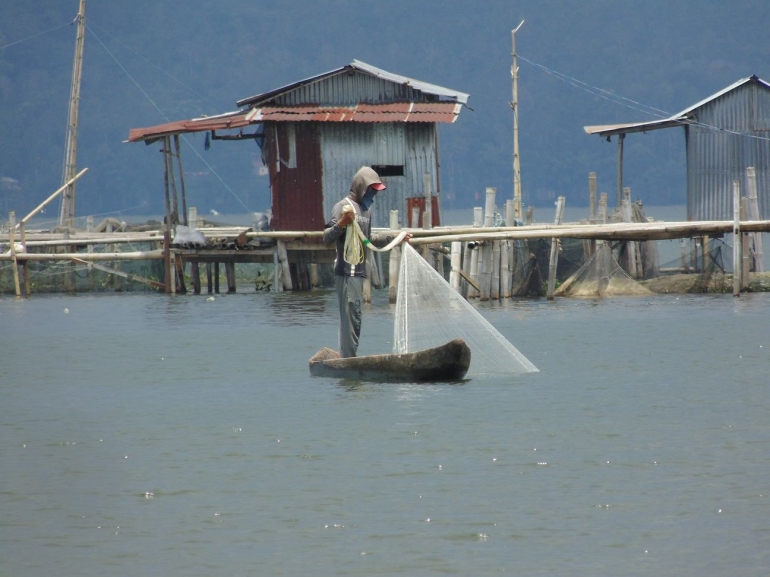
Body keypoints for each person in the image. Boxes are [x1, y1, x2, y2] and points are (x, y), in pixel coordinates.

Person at [323, 166, 408, 358]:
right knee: (351, 317)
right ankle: (348, 361)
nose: (373, 194)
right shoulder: (343, 207)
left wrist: (395, 238)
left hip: (359, 273)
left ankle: (348, 357)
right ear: (361, 187)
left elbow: (369, 239)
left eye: (375, 191)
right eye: (371, 190)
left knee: (356, 317)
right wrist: (342, 223)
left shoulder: (365, 212)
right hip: (346, 271)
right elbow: (327, 237)